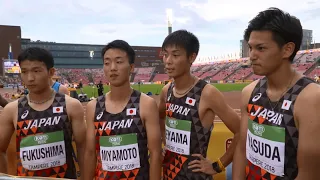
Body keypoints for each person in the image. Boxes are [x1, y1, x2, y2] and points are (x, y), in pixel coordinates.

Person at [232, 7, 320, 180]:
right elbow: (242, 150)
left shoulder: (311, 99)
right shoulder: (248, 92)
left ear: (287, 50)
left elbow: (309, 174)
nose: (252, 56)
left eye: (261, 48)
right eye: (250, 48)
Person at [159, 30, 240, 180]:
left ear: (192, 57)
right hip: (169, 174)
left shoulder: (207, 93)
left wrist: (218, 166)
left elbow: (241, 131)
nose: (168, 60)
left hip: (195, 176)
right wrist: (164, 143)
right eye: (165, 55)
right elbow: (160, 118)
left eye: (175, 55)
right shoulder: (166, 91)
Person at [0, 47, 86, 178]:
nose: (30, 78)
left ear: (51, 72)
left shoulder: (71, 105)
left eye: (36, 71)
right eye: (24, 72)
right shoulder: (12, 109)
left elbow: (83, 148)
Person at [83, 40, 162, 180]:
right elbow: (90, 153)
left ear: (131, 67)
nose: (112, 68)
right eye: (107, 63)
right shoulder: (93, 107)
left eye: (119, 62)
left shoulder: (146, 104)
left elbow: (155, 152)